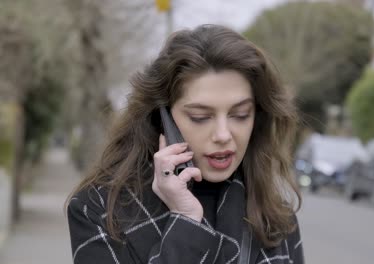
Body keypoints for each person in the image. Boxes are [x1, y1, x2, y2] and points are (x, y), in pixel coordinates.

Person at [67, 24, 304, 264]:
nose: (223, 135)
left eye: (240, 114)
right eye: (200, 117)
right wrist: (186, 220)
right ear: (164, 118)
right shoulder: (98, 209)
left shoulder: (276, 216)